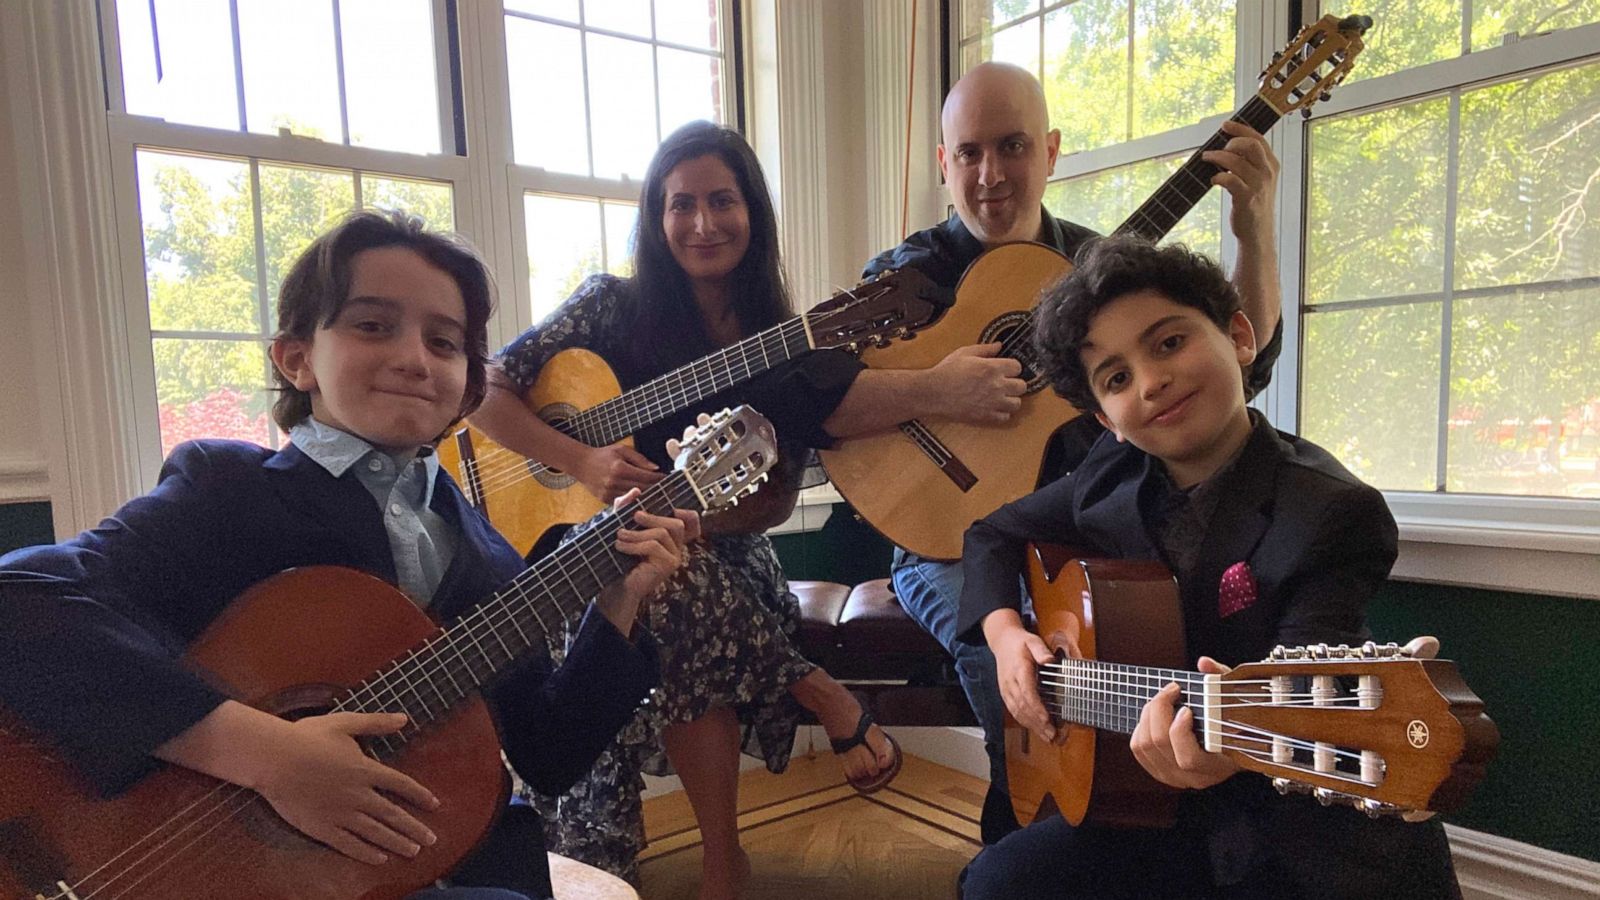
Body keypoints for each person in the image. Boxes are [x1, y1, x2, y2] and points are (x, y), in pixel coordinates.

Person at [0, 210, 698, 900]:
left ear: (470, 383)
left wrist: (620, 600)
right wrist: (269, 757)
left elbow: (550, 752)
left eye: (445, 342)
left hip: (430, 863)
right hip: (213, 869)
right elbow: (18, 604)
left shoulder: (488, 555)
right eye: (372, 326)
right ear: (297, 358)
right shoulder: (226, 492)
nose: (414, 358)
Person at [821, 60, 1286, 844]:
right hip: (942, 537)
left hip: (1083, 525)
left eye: (1012, 147)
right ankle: (1028, 840)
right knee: (1006, 662)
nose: (990, 174)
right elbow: (826, 408)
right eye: (968, 153)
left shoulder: (1097, 265)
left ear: (1051, 151)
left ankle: (1164, 836)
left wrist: (1253, 228)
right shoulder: (903, 277)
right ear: (944, 163)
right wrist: (938, 391)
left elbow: (1250, 363)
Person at [469, 121, 900, 899]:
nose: (703, 223)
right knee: (644, 565)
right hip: (584, 555)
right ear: (656, 217)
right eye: (682, 204)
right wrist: (580, 459)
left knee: (660, 569)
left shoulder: (786, 340)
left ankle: (715, 862)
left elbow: (767, 504)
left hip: (724, 562)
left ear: (753, 213)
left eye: (722, 201)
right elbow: (486, 392)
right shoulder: (607, 309)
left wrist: (699, 513)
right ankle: (806, 692)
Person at [956, 235, 1461, 898]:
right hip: (1138, 796)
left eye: (1168, 343)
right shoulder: (1115, 473)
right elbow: (991, 532)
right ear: (1105, 419)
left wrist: (1224, 751)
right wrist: (1004, 636)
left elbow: (1303, 692)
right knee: (993, 881)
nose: (1152, 381)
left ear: (1240, 336)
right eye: (1116, 378)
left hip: (1291, 816)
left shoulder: (1329, 514)